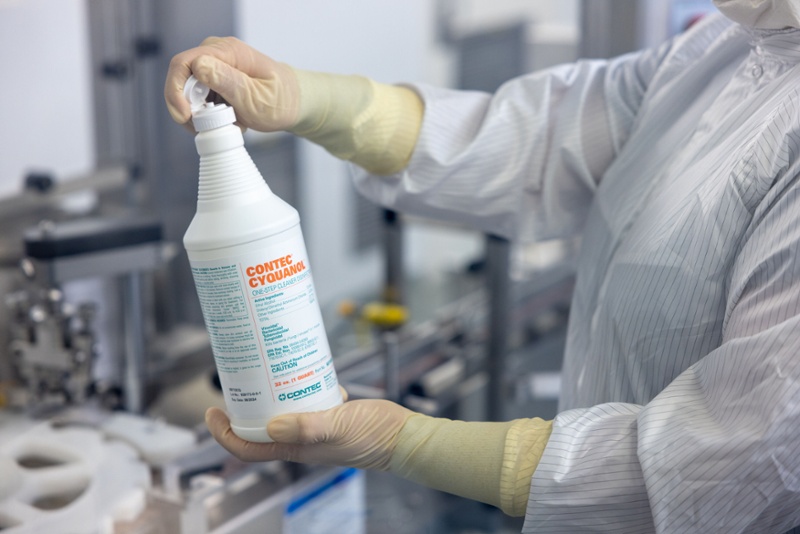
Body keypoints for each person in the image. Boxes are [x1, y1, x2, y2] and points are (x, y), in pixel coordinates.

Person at [165, 1, 800, 532]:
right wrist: (312, 100)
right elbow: (545, 139)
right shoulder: (733, 42)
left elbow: (733, 460)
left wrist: (406, 443)